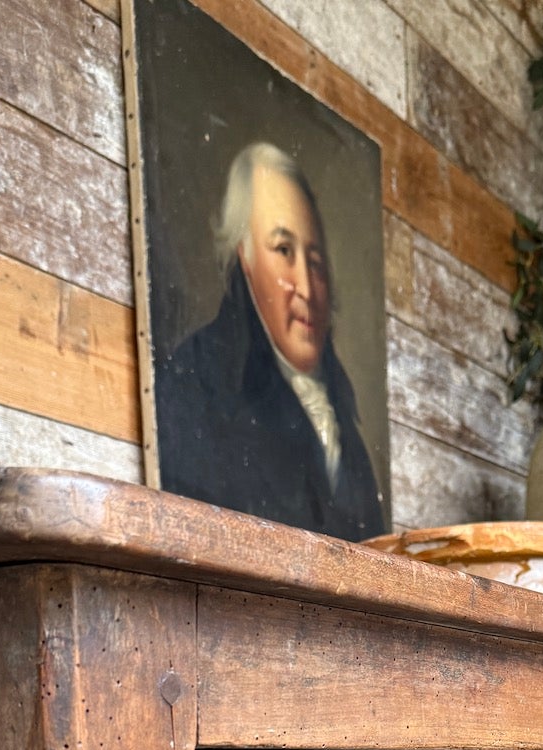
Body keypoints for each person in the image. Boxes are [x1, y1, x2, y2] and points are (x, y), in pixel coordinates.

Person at [157, 142, 384, 541]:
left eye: (315, 262)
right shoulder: (194, 386)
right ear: (244, 258)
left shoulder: (342, 416)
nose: (307, 289)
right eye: (283, 250)